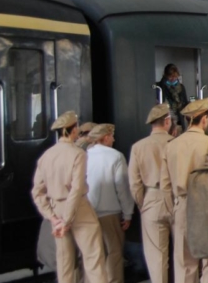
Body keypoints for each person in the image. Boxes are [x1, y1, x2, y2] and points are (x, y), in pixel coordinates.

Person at [31, 111, 108, 283]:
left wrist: (53, 218)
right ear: (72, 131)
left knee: (64, 262)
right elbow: (76, 189)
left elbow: (37, 192)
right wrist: (66, 221)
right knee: (93, 258)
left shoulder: (46, 156)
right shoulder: (77, 154)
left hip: (57, 210)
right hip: (78, 209)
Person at [165, 98, 208, 283]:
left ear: (188, 120)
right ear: (205, 119)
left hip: (182, 207)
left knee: (185, 264)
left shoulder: (171, 146)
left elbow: (165, 185)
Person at [128, 104, 174, 283]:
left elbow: (134, 183)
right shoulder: (175, 143)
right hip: (176, 198)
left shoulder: (138, 147)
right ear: (168, 121)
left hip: (151, 198)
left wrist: (143, 203)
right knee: (182, 254)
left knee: (157, 256)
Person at [85, 124, 133, 283]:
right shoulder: (116, 156)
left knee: (93, 254)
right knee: (114, 253)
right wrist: (128, 213)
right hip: (110, 214)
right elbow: (122, 188)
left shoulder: (85, 155)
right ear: (105, 137)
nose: (114, 139)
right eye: (112, 135)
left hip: (88, 213)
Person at [157, 64, 190, 130]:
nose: (173, 79)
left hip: (179, 121)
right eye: (170, 76)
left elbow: (185, 103)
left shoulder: (181, 88)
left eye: (175, 76)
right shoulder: (159, 87)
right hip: (166, 121)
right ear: (166, 75)